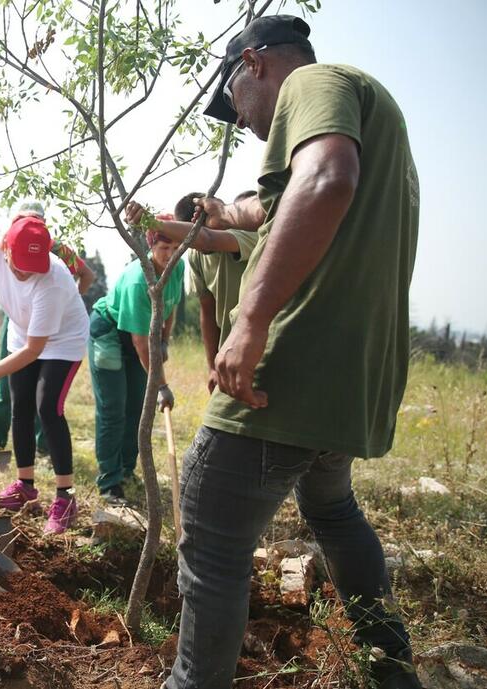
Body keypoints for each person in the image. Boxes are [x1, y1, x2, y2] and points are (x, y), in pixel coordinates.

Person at [164, 15, 421, 689]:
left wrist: (251, 318)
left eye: (233, 103)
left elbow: (328, 178)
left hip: (289, 373)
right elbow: (274, 207)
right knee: (333, 510)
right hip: (346, 384)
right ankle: (391, 667)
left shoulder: (315, 80)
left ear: (253, 65)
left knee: (210, 523)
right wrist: (217, 214)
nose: (241, 122)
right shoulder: (376, 113)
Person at [0, 215, 89, 535]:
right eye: (19, 262)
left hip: (61, 342)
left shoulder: (53, 281)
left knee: (47, 407)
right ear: (7, 249)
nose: (25, 271)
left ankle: (65, 498)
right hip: (22, 334)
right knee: (19, 406)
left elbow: (33, 351)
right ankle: (25, 487)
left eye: (32, 265)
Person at [0, 201, 95, 457]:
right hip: (18, 319)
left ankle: (43, 445)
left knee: (45, 398)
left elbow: (87, 275)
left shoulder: (57, 249)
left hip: (50, 320)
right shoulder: (7, 245)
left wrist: (65, 304)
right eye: (23, 219)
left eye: (37, 220)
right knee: (12, 389)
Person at [87, 228, 183, 505]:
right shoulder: (138, 281)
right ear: (150, 247)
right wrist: (162, 385)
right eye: (164, 248)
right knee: (113, 408)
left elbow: (172, 303)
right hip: (110, 332)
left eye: (177, 247)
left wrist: (164, 338)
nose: (171, 254)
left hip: (142, 336)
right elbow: (141, 343)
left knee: (137, 406)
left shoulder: (177, 266)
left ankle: (127, 470)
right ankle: (109, 482)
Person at [179, 190, 259, 394]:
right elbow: (207, 309)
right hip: (228, 351)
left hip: (258, 345)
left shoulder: (245, 235)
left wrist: (154, 224)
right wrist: (212, 367)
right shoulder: (196, 256)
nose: (196, 244)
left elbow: (208, 240)